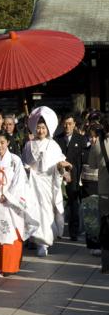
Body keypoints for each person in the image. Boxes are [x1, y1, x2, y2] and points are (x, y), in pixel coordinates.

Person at [0, 129, 40, 276]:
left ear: (8, 143)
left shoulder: (15, 160)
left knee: (10, 234)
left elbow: (19, 182)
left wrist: (8, 196)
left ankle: (9, 267)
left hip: (11, 204)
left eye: (2, 142)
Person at [23, 106, 71, 257]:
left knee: (45, 211)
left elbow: (58, 164)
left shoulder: (53, 145)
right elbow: (23, 163)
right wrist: (27, 169)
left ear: (48, 128)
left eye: (43, 128)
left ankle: (44, 242)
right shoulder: (28, 145)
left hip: (47, 182)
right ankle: (35, 239)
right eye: (38, 127)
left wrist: (61, 167)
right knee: (32, 210)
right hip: (32, 182)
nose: (41, 131)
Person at [55, 112, 87, 241]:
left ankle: (74, 232)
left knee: (74, 203)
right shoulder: (57, 139)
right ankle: (58, 230)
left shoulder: (80, 139)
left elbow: (82, 159)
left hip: (74, 175)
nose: (67, 126)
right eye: (65, 124)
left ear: (74, 124)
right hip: (59, 174)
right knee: (59, 203)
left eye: (70, 124)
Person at [88, 113, 109, 273]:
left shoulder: (98, 145)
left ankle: (106, 265)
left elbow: (92, 165)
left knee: (105, 228)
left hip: (104, 192)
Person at [81, 124, 102, 256]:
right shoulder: (85, 150)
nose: (93, 140)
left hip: (102, 185)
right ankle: (93, 243)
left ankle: (102, 243)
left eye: (96, 137)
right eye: (92, 136)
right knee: (90, 216)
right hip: (88, 186)